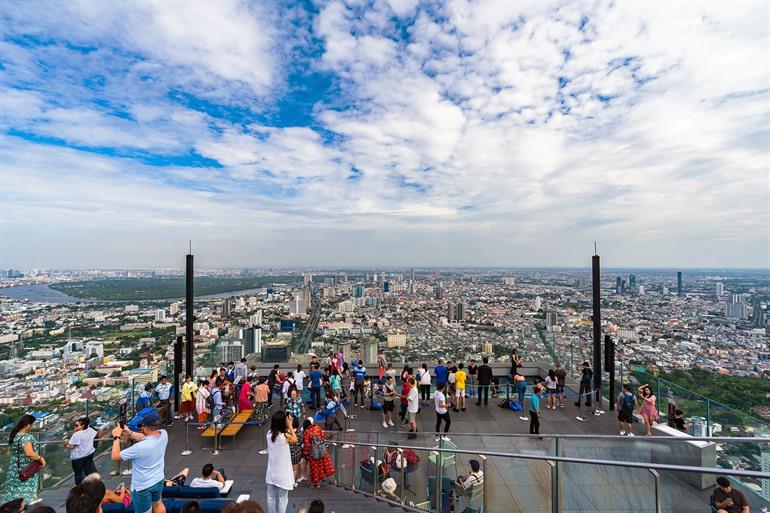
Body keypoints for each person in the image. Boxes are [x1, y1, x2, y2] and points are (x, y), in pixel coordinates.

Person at [111, 411, 168, 513]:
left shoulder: (138, 447)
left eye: (142, 427)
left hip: (143, 486)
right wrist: (130, 433)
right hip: (158, 478)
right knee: (158, 503)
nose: (141, 429)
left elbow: (115, 456)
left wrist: (116, 437)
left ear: (146, 428)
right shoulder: (163, 434)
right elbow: (147, 437)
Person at [2, 415, 45, 505]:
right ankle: (28, 500)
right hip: (26, 468)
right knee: (26, 484)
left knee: (14, 489)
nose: (32, 427)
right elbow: (29, 453)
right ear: (28, 425)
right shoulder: (26, 437)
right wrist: (41, 458)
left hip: (14, 468)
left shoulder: (15, 436)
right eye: (32, 425)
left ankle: (14, 506)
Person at [265, 411, 298, 513]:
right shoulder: (285, 437)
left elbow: (277, 433)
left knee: (271, 497)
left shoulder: (268, 434)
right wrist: (290, 425)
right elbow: (295, 439)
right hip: (283, 474)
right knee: (283, 498)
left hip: (271, 472)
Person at [303, 417, 335, 487]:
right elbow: (322, 437)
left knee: (314, 468)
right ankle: (318, 482)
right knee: (320, 466)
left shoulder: (306, 432)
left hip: (313, 453)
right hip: (321, 451)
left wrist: (306, 453)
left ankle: (314, 482)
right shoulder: (317, 428)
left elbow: (307, 445)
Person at [65, 417, 97, 484]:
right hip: (89, 454)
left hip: (78, 458)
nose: (75, 426)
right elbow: (95, 432)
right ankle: (92, 486)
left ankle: (79, 489)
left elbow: (71, 446)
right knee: (89, 472)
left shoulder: (76, 435)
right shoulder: (90, 430)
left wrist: (66, 443)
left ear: (82, 425)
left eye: (77, 425)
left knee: (78, 474)